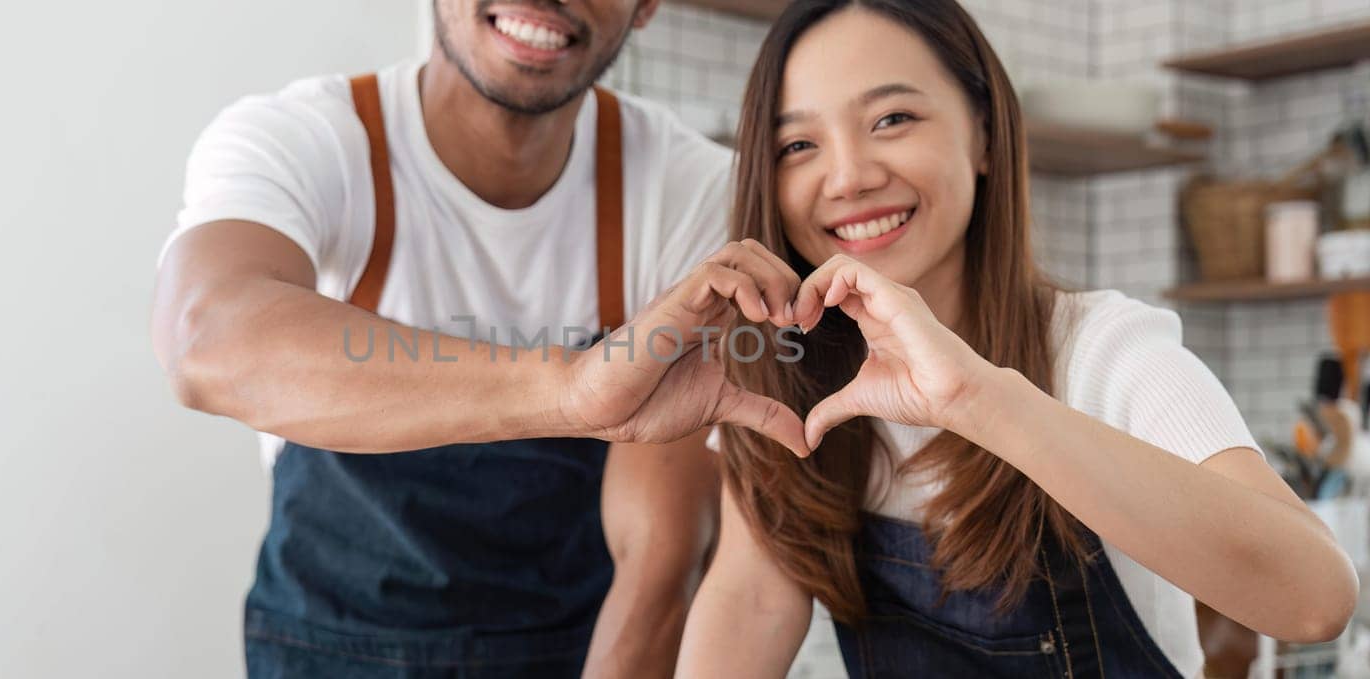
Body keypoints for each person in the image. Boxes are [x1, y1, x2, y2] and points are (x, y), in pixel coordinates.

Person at [671, 1, 1361, 677]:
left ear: (985, 137)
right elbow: (753, 597)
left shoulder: (1106, 351)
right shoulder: (785, 379)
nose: (849, 176)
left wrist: (980, 398)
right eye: (798, 145)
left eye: (893, 118)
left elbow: (1315, 598)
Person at [149, 0, 809, 676]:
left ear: (645, 8)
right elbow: (206, 338)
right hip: (322, 647)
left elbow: (658, 569)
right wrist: (572, 392)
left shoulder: (688, 193)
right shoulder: (304, 139)